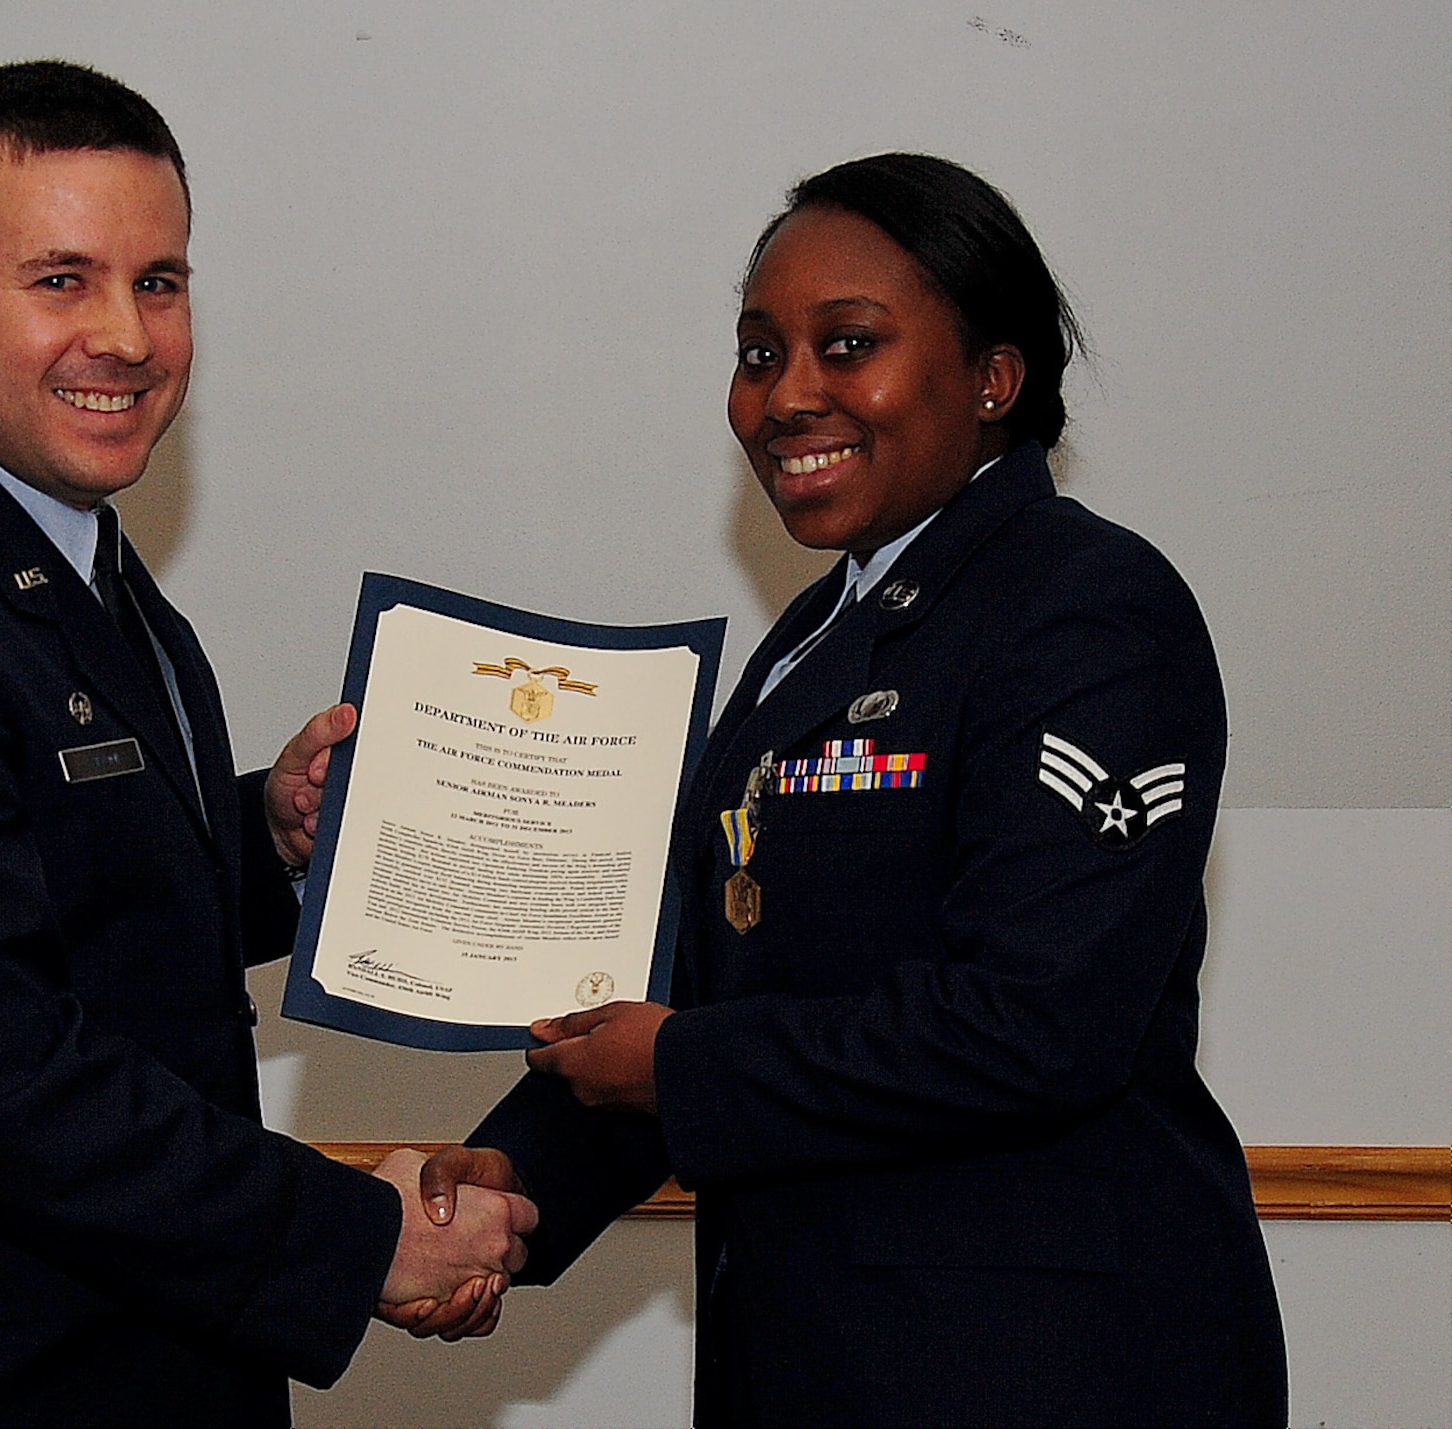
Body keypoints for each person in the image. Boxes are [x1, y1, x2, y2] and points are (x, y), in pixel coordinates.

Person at [0, 60, 530, 1427]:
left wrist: (266, 836)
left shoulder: (54, 552)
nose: (125, 336)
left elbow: (64, 889)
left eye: (160, 281)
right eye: (61, 280)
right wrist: (358, 1240)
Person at [414, 154, 1288, 1425]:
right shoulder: (817, 635)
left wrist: (678, 1062)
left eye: (847, 345)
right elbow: (708, 990)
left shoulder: (1086, 606)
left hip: (1036, 1371)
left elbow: (1031, 1024)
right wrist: (515, 1181)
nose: (785, 396)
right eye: (758, 353)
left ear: (993, 378)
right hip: (827, 1361)